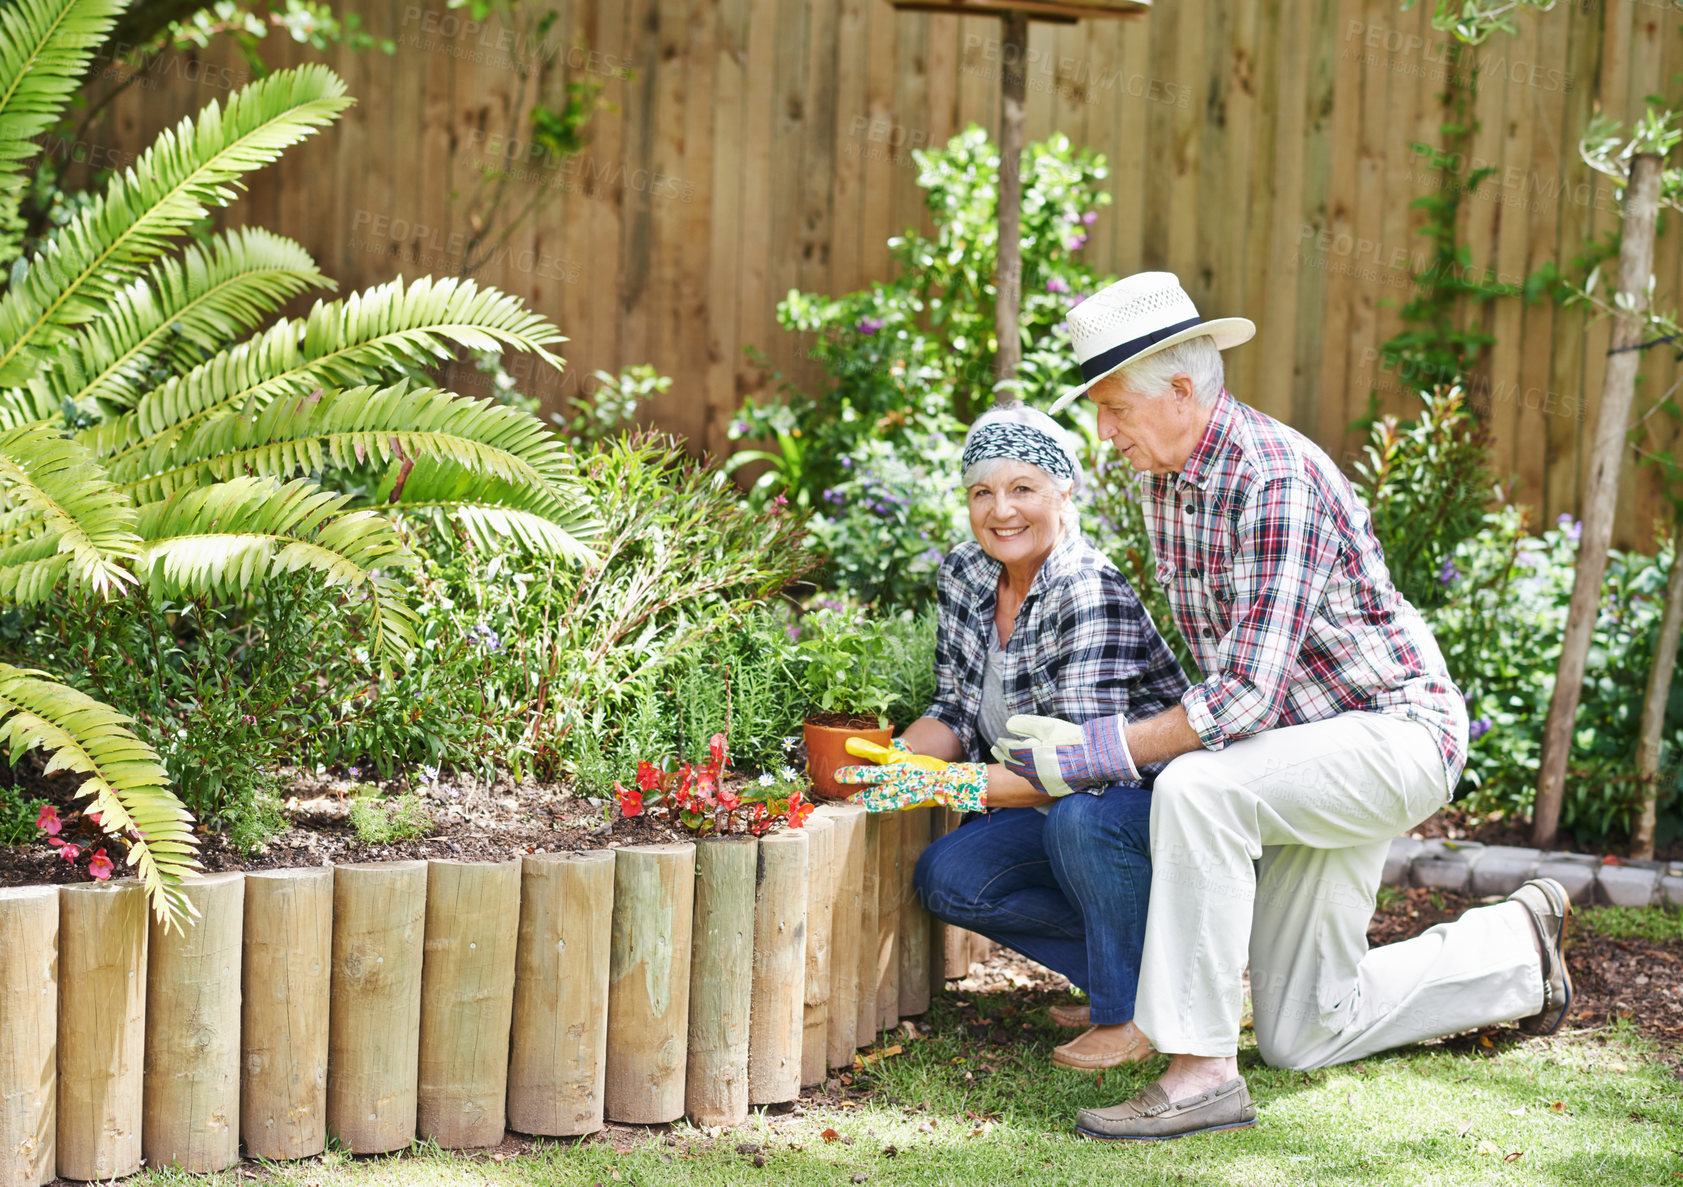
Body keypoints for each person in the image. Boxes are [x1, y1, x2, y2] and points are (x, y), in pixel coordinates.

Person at [996, 271, 1571, 1139]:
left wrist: (1088, 753)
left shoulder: (1273, 479)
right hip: (1301, 753)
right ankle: (1516, 952)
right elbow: (1224, 684)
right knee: (1308, 1029)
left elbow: (1239, 697)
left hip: (1393, 736)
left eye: (1113, 408)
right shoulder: (1165, 484)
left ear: (1182, 390)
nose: (1102, 431)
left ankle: (1199, 1073)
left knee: (1198, 785)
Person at [835, 403, 1188, 1070]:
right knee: (951, 877)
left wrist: (952, 782)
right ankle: (1140, 976)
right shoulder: (967, 572)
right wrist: (896, 760)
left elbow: (1087, 769)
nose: (1001, 510)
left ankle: (1124, 1016)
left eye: (1023, 488)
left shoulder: (1087, 591)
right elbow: (954, 707)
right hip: (1049, 799)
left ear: (1063, 491)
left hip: (1136, 807)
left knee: (1078, 821)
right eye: (981, 491)